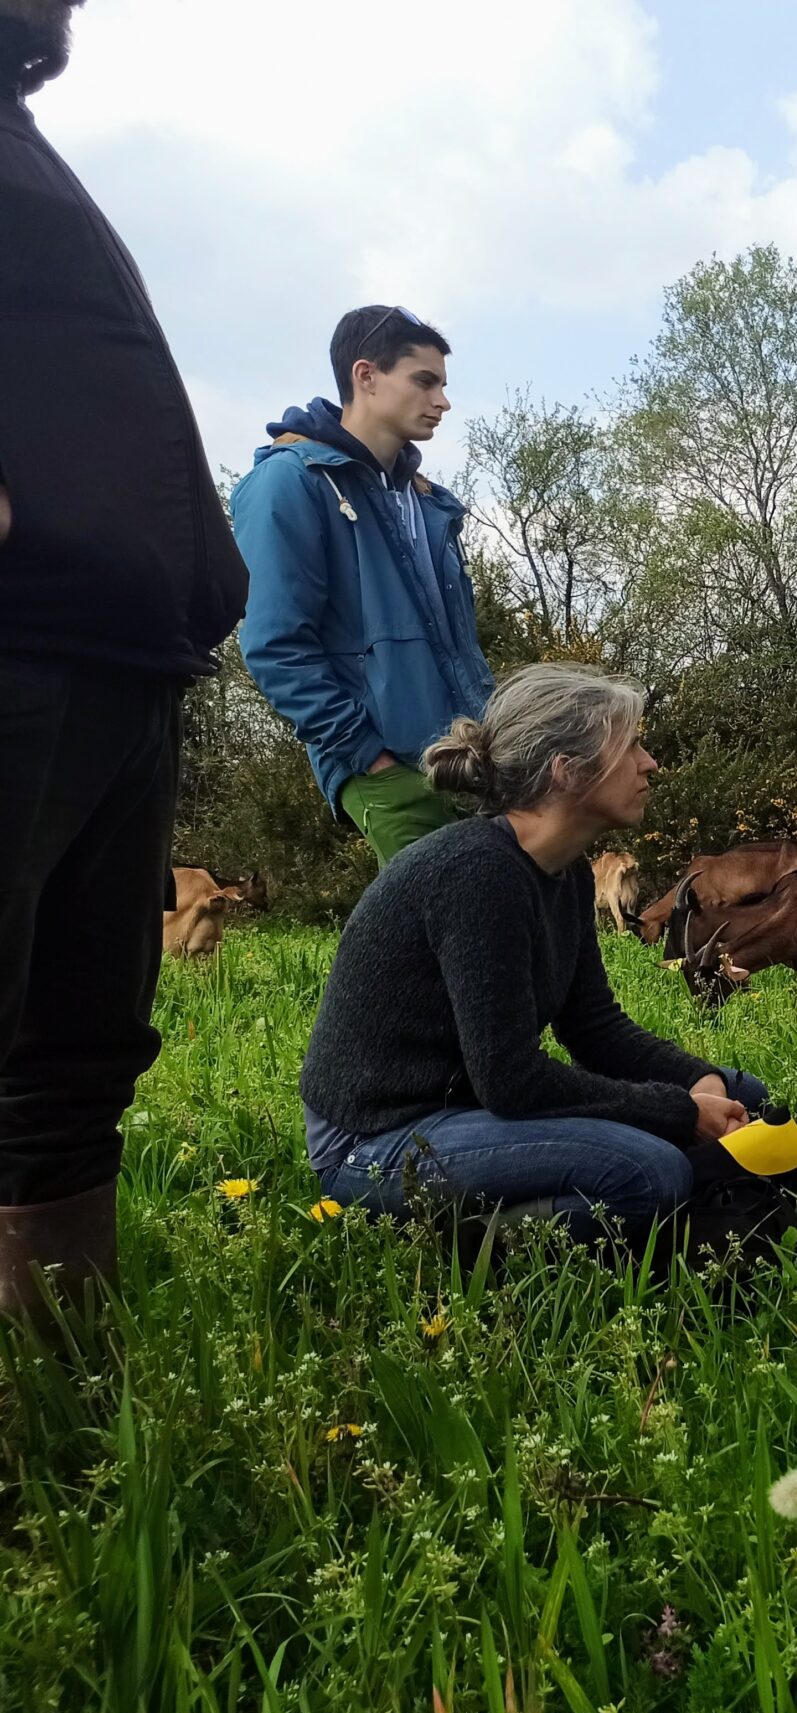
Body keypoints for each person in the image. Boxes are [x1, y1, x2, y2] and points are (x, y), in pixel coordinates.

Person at [0, 0, 251, 1316]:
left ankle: (60, 1383)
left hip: (121, 659)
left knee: (76, 1048)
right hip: (21, 637)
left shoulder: (22, 139)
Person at [299, 665, 767, 1240]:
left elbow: (595, 1029)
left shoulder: (563, 875)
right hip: (375, 1139)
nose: (650, 764)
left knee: (747, 1097)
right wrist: (678, 1112)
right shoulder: (477, 873)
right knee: (652, 1172)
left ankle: (665, 1208)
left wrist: (699, 1079)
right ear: (565, 771)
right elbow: (511, 1080)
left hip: (466, 1111)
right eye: (632, 747)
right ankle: (445, 1240)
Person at [232, 304, 491, 869]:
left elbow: (459, 647)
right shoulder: (289, 482)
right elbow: (273, 646)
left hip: (471, 766)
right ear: (366, 376)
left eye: (444, 385)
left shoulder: (427, 502)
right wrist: (366, 756)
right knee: (446, 936)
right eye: (425, 381)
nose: (442, 401)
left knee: (505, 930)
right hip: (387, 767)